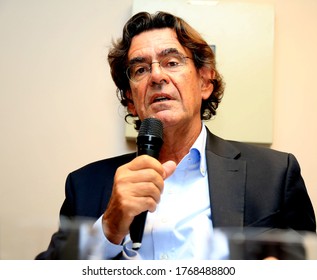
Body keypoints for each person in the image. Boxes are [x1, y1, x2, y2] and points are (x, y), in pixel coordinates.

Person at [36, 11, 316, 260]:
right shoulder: (85, 185)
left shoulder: (273, 175)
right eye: (140, 69)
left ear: (205, 82)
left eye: (171, 62)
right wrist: (108, 227)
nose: (156, 76)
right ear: (131, 100)